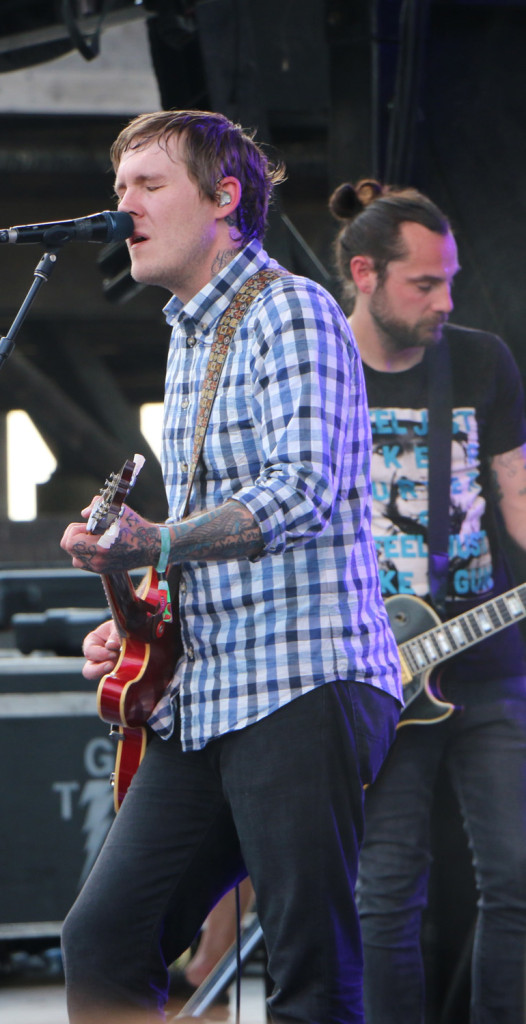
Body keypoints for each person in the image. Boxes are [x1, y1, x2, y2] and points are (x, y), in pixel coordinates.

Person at [59, 110, 403, 1024]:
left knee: (309, 973)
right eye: (118, 186)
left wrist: (159, 542)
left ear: (224, 199)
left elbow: (307, 491)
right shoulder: (189, 337)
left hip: (303, 679)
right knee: (103, 941)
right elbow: (211, 535)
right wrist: (140, 616)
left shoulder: (291, 308)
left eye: (147, 186)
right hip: (208, 691)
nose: (121, 205)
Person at [329, 178, 526, 1023]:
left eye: (449, 281)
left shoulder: (481, 360)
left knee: (517, 880)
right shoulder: (324, 372)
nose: (446, 300)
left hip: (489, 662)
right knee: (386, 893)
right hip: (375, 676)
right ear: (365, 273)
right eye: (425, 283)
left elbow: (518, 495)